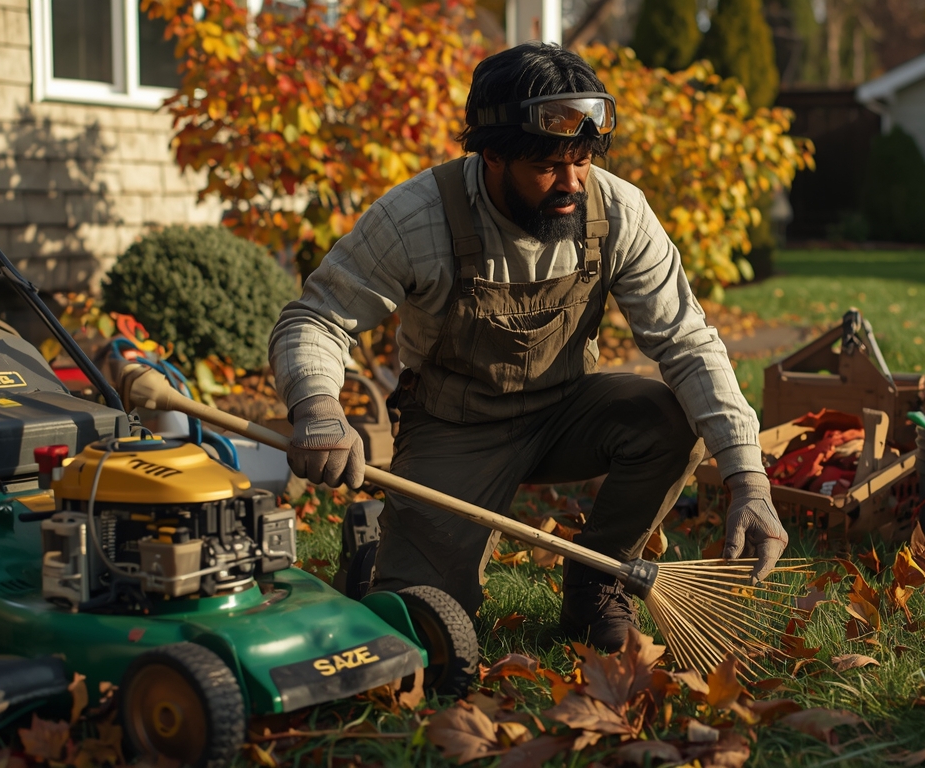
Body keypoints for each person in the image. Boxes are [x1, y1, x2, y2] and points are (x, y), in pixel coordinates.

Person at [269, 42, 787, 651]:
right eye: (547, 164)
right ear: (492, 154)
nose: (571, 182)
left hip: (566, 411)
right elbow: (317, 317)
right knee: (424, 623)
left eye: (584, 159)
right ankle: (383, 553)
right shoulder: (417, 218)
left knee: (667, 420)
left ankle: (596, 588)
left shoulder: (619, 212)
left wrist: (748, 476)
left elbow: (688, 340)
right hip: (454, 426)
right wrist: (319, 409)